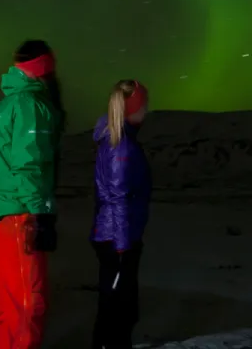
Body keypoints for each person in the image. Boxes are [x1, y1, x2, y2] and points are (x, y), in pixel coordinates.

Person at [0, 39, 65, 349]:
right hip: (21, 213)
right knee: (29, 302)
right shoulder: (31, 106)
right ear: (45, 69)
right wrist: (40, 214)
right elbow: (30, 164)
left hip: (3, 214)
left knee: (8, 303)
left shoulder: (9, 104)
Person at [90, 80, 153, 349]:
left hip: (118, 235)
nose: (147, 112)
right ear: (134, 108)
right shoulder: (121, 146)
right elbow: (118, 197)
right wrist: (123, 246)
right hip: (117, 238)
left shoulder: (121, 140)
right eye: (144, 106)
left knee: (120, 304)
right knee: (117, 307)